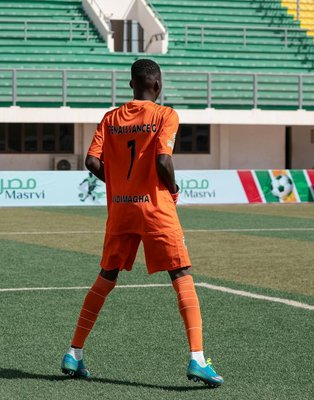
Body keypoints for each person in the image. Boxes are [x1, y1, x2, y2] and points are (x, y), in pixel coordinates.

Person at [61, 59, 223, 387]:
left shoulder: (110, 118)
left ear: (131, 85)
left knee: (107, 276)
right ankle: (197, 359)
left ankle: (74, 352)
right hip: (155, 208)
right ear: (158, 87)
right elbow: (163, 161)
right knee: (181, 273)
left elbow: (92, 161)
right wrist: (174, 188)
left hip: (121, 210)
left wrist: (120, 184)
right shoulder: (165, 115)